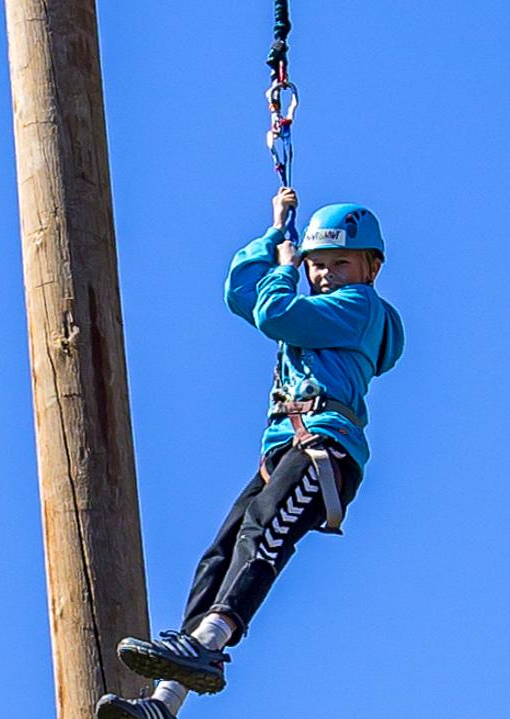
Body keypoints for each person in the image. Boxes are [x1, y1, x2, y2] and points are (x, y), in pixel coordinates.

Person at [97, 192, 407, 719]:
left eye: (340, 263)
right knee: (219, 555)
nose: (326, 274)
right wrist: (273, 235)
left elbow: (272, 311)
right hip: (286, 448)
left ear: (370, 268)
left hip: (324, 450)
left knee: (262, 531)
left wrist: (286, 271)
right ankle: (165, 700)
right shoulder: (315, 309)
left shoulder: (359, 309)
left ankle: (210, 644)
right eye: (317, 264)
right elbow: (241, 292)